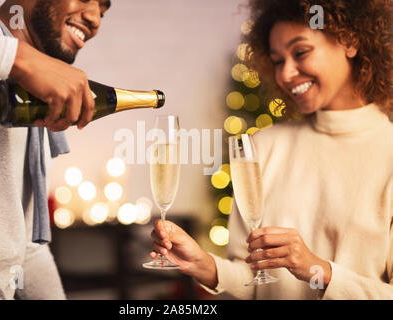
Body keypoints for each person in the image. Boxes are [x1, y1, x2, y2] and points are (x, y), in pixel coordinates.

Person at [150, 0, 393, 299]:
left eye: (300, 52)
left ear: (350, 41)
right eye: (278, 61)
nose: (287, 74)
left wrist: (319, 270)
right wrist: (203, 264)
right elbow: (251, 277)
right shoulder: (262, 148)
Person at [0, 0, 110, 299]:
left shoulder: (32, 99)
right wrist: (22, 59)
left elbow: (25, 247)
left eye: (104, 10)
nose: (96, 19)